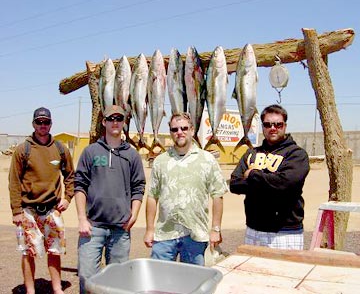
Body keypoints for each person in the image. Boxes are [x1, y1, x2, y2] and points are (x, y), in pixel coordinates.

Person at [74, 105, 146, 293]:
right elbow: (79, 185)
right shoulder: (90, 152)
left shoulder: (132, 155)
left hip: (120, 231)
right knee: (87, 278)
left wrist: (134, 214)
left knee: (119, 283)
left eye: (119, 118)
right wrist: (82, 218)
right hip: (93, 228)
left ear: (124, 123)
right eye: (111, 118)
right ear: (104, 122)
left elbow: (139, 187)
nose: (115, 122)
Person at [143, 112, 228, 266]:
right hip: (164, 235)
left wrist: (216, 229)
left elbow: (218, 195)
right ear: (170, 133)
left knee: (193, 284)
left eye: (184, 128)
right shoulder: (160, 162)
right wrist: (150, 229)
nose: (179, 132)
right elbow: (152, 197)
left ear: (192, 130)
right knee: (158, 283)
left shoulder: (207, 160)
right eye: (175, 129)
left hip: (195, 236)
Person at [8, 107, 74, 294]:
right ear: (33, 124)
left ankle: (57, 288)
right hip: (28, 210)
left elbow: (70, 175)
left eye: (46, 122)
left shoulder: (60, 149)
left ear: (51, 124)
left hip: (52, 209)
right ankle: (30, 290)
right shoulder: (23, 149)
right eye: (39, 122)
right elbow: (14, 181)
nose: (43, 125)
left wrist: (68, 198)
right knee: (28, 252)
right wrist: (16, 211)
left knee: (55, 251)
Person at [230, 104, 310, 250]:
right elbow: (234, 184)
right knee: (252, 272)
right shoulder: (251, 153)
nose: (273, 128)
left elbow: (285, 184)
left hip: (286, 232)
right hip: (254, 229)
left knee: (285, 273)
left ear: (285, 126)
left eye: (278, 124)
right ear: (263, 127)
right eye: (268, 124)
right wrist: (270, 181)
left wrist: (253, 174)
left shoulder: (296, 154)